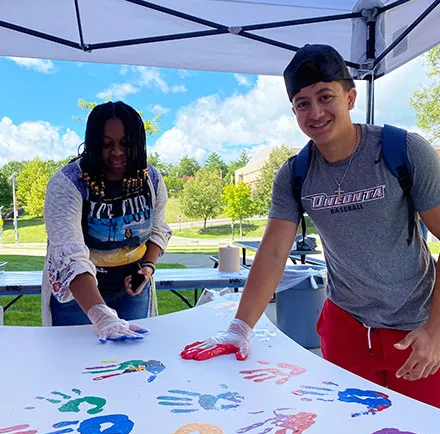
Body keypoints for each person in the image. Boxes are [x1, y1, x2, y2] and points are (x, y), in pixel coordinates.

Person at [181, 44, 440, 408]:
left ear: (350, 97)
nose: (315, 112)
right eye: (302, 103)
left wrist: (436, 329)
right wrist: (238, 329)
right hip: (346, 328)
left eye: (325, 96)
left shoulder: (403, 150)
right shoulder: (295, 173)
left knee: (419, 428)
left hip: (416, 329)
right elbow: (272, 253)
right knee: (350, 427)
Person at [42, 101, 171, 342]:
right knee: (76, 364)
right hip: (78, 296)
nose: (117, 152)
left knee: (134, 362)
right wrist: (101, 315)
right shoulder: (67, 183)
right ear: (92, 143)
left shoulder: (151, 179)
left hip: (131, 291)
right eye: (106, 144)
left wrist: (147, 268)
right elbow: (69, 257)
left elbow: (158, 231)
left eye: (125, 143)